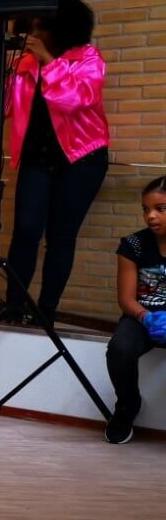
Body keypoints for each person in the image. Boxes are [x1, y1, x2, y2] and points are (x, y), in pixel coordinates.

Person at [0, 0, 110, 325]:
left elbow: (75, 100)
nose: (34, 35)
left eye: (41, 28)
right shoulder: (24, 64)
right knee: (25, 231)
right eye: (31, 28)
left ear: (62, 28)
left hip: (83, 158)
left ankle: (46, 311)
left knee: (60, 236)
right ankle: (14, 305)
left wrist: (48, 61)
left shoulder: (88, 58)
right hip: (36, 157)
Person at [105, 176, 166, 445]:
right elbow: (126, 299)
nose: (150, 216)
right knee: (120, 348)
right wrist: (147, 317)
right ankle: (127, 407)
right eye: (145, 209)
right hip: (142, 315)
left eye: (160, 209)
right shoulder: (133, 245)